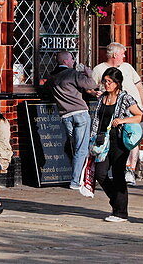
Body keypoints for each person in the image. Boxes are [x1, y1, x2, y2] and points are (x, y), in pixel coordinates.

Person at [89, 68, 143, 223]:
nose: (106, 84)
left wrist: (123, 120)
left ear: (117, 83)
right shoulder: (102, 98)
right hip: (102, 142)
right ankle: (116, 201)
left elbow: (140, 116)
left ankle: (120, 213)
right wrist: (92, 139)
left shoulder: (125, 98)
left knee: (119, 175)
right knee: (100, 173)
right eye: (105, 81)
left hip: (119, 141)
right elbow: (97, 120)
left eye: (110, 81)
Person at [92, 42, 143, 185]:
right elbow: (91, 87)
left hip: (134, 109)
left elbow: (139, 86)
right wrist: (95, 92)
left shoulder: (127, 67)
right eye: (122, 53)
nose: (124, 56)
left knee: (133, 140)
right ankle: (119, 179)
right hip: (114, 110)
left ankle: (130, 170)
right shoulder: (99, 69)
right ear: (115, 55)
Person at [46, 51, 97, 189]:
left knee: (75, 147)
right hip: (80, 113)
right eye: (71, 59)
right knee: (81, 148)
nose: (74, 61)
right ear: (65, 61)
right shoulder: (72, 73)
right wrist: (89, 73)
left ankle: (80, 176)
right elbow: (91, 84)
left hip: (65, 116)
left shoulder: (52, 78)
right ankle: (76, 181)